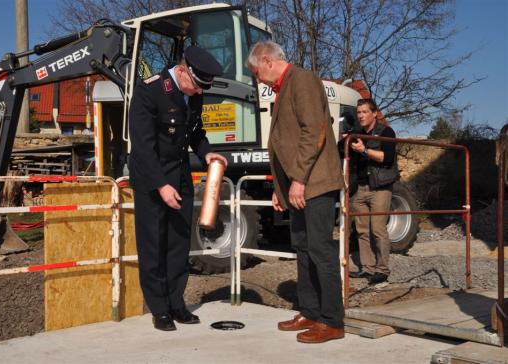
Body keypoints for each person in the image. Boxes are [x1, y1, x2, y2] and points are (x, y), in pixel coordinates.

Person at [247, 41, 345, 344]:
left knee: (320, 251)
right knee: (302, 249)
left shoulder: (301, 80)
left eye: (255, 72)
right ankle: (311, 311)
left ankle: (332, 321)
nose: (256, 79)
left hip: (316, 183)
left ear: (266, 61)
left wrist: (299, 180)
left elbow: (313, 131)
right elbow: (283, 144)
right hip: (300, 185)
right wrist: (281, 187)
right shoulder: (283, 88)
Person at [128, 45, 227, 331]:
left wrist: (206, 152)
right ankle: (159, 309)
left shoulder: (195, 93)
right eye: (196, 86)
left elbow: (195, 132)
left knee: (178, 244)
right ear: (182, 72)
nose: (198, 92)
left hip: (180, 177)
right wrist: (161, 185)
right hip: (151, 180)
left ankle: (176, 303)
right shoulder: (150, 91)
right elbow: (143, 147)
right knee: (153, 245)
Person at [348, 98, 398, 285]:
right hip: (360, 189)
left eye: (364, 112)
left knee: (378, 229)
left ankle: (382, 270)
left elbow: (387, 157)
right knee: (361, 230)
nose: (360, 116)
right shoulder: (357, 134)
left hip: (380, 188)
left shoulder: (386, 132)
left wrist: (364, 150)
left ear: (374, 113)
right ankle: (367, 269)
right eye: (358, 112)